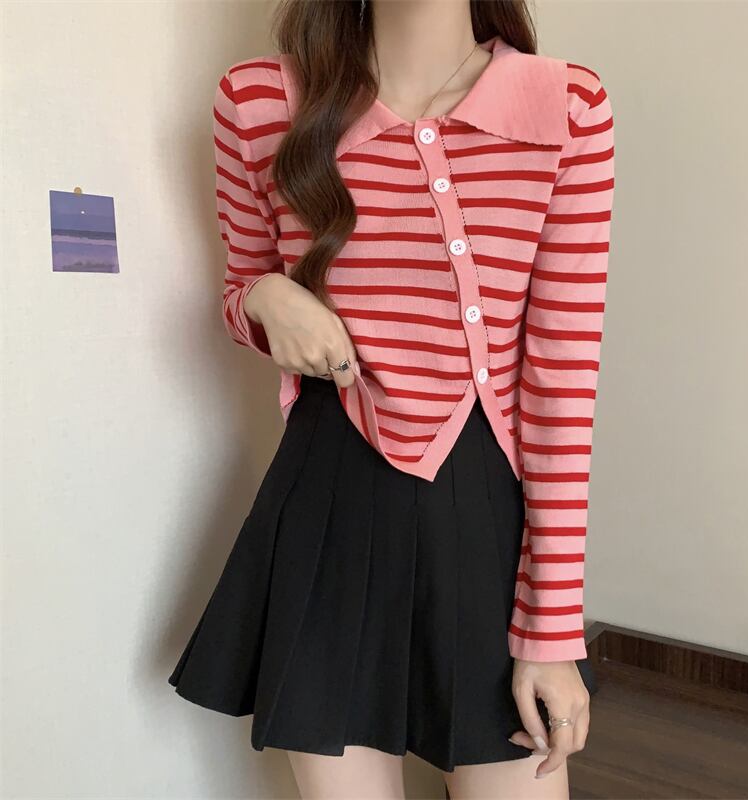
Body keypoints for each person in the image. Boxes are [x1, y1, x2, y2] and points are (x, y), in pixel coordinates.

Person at [168, 0, 614, 797]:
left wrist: (550, 629)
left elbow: (562, 381)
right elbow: (240, 290)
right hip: (327, 504)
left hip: (486, 514)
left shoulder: (567, 106)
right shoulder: (258, 100)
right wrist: (267, 296)